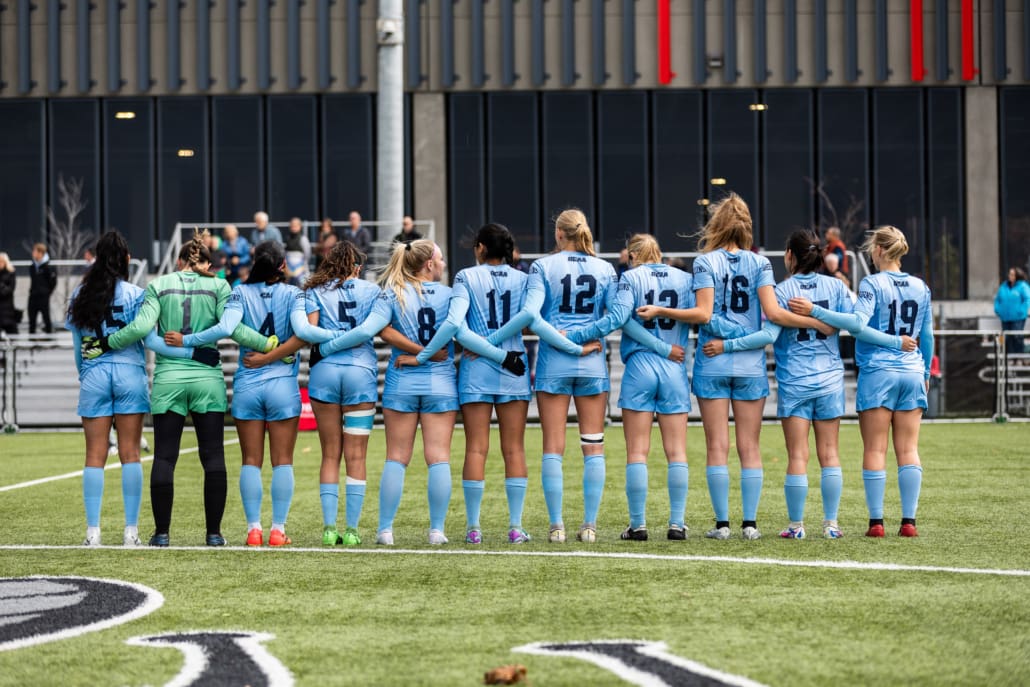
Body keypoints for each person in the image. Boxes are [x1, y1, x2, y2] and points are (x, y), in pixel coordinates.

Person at [637, 193, 832, 541]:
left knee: (717, 447)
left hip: (713, 361)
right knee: (750, 447)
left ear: (716, 225)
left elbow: (705, 315)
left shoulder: (704, 262)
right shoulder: (759, 264)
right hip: (750, 365)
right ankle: (750, 525)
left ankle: (723, 524)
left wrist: (714, 332)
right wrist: (816, 322)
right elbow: (773, 317)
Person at [704, 230, 914, 540]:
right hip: (830, 378)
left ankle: (796, 526)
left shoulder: (781, 290)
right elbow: (854, 324)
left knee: (797, 456)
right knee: (830, 454)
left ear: (789, 255)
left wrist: (726, 346)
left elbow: (767, 336)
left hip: (796, 380)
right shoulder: (837, 286)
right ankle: (831, 525)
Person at [82, 231, 273, 546]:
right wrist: (266, 343)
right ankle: (214, 534)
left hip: (168, 379)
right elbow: (234, 329)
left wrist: (108, 343)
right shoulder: (219, 285)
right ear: (206, 262)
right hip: (207, 379)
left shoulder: (158, 285)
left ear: (180, 260)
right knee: (212, 457)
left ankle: (160, 534)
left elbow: (145, 331)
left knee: (165, 458)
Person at [400, 224, 575, 544]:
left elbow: (458, 328)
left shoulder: (466, 277)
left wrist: (427, 356)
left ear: (480, 248)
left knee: (476, 449)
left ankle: (474, 528)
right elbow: (534, 320)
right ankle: (515, 526)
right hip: (514, 367)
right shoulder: (525, 280)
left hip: (476, 368)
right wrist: (569, 343)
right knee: (514, 449)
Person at [66, 231, 211, 547]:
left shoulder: (79, 295)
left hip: (94, 376)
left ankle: (93, 533)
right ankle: (130, 531)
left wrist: (86, 375)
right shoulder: (137, 294)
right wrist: (192, 351)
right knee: (131, 453)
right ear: (126, 260)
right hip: (130, 376)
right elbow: (153, 342)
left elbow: (79, 349)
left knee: (94, 455)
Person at [790, 225, 934, 538]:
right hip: (912, 370)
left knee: (876, 449)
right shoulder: (921, 286)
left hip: (879, 372)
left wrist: (815, 309)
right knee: (908, 449)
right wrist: (924, 374)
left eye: (872, 248)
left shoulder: (872, 283)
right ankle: (908, 522)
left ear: (879, 250)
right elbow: (927, 336)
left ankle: (877, 523)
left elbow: (856, 324)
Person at [485, 209, 614, 544]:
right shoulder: (605, 268)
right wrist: (586, 336)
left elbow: (531, 317)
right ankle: (589, 526)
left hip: (554, 360)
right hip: (592, 360)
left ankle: (556, 526)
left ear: (558, 234)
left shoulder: (543, 266)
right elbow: (616, 316)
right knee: (593, 445)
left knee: (552, 448)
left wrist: (566, 341)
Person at [169, 241, 309, 547]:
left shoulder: (238, 292)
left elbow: (226, 327)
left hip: (247, 383)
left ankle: (253, 530)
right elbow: (302, 334)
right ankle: (277, 530)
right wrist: (273, 355)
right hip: (283, 385)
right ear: (283, 266)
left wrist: (187, 340)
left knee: (250, 461)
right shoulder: (296, 294)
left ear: (254, 262)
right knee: (283, 461)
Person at [567, 234, 701, 541]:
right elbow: (701, 315)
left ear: (633, 255)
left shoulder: (630, 278)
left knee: (637, 452)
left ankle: (638, 524)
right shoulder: (684, 278)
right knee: (677, 451)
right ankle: (677, 524)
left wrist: (575, 335)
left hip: (640, 365)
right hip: (675, 364)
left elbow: (620, 319)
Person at [994, 267, 1030, 355]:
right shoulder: (1004, 286)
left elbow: (1027, 299)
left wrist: (1021, 311)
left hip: (1018, 318)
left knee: (1017, 336)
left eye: (1012, 274)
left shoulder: (1023, 286)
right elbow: (997, 299)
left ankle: (1018, 357)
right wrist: (998, 310)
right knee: (1007, 338)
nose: (1010, 276)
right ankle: (1009, 357)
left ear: (1017, 276)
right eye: (1009, 274)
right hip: (1005, 317)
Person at [28, 242, 57, 334]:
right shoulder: (33, 266)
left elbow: (53, 282)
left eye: (35, 251)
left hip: (43, 296)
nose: (33, 253)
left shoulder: (48, 266)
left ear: (40, 253)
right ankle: (31, 338)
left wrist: (47, 292)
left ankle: (49, 337)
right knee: (32, 317)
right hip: (33, 295)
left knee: (46, 316)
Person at [284, 217, 312, 286]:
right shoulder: (287, 238)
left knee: (302, 285)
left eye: (295, 225)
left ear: (300, 226)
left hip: (301, 268)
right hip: (289, 268)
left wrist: (303, 265)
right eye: (292, 225)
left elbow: (307, 254)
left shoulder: (303, 239)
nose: (293, 227)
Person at [0, 252, 19, 335]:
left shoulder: (10, 273)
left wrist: (1, 287)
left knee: (10, 328)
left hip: (7, 306)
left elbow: (10, 289)